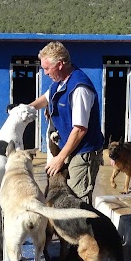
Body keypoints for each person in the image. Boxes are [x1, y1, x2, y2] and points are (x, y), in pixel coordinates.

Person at [29, 41, 104, 205]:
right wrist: (26, 109)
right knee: (65, 196)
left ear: (60, 64)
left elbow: (80, 129)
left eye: (47, 68)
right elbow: (45, 98)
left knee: (77, 199)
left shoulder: (79, 88)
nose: (45, 73)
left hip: (83, 152)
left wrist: (60, 158)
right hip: (69, 148)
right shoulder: (59, 82)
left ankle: (83, 222)